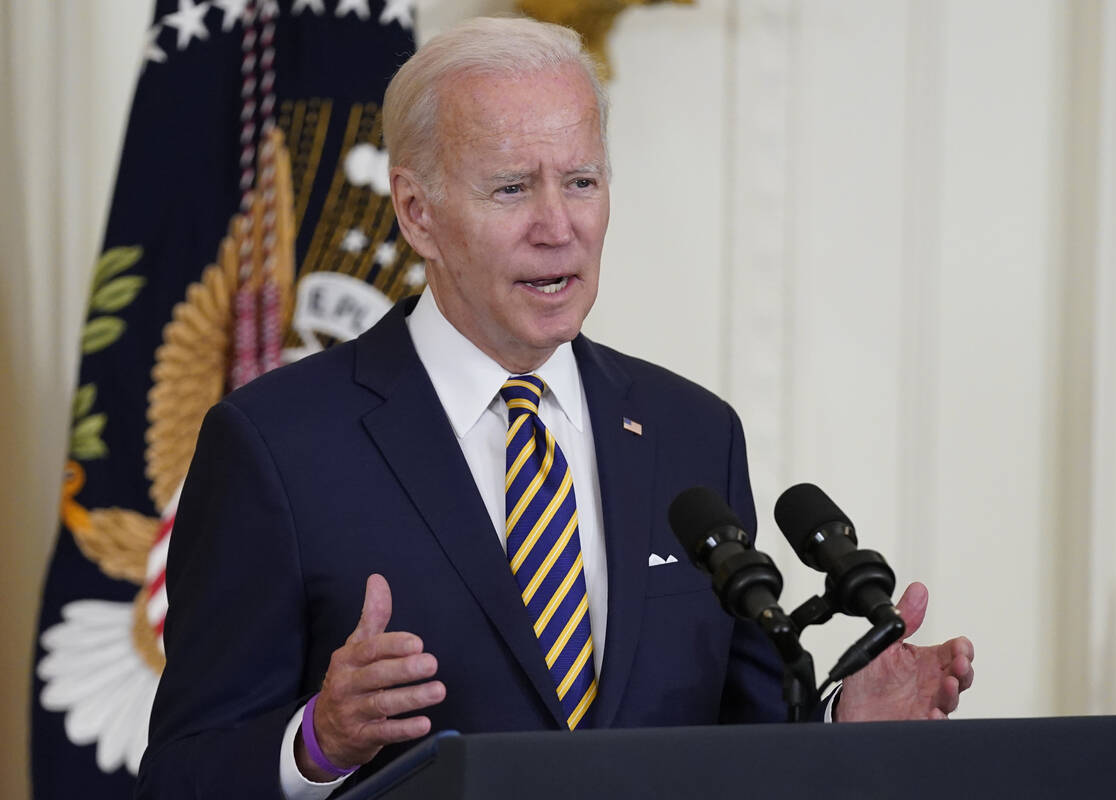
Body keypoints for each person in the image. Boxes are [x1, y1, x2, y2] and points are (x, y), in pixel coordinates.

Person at [136, 16, 974, 799]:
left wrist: (840, 728)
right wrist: (313, 742)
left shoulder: (693, 433)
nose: (558, 226)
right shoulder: (277, 445)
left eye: (581, 181)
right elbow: (180, 773)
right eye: (511, 189)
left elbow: (737, 742)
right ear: (416, 211)